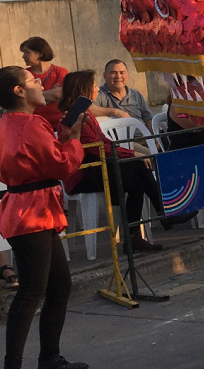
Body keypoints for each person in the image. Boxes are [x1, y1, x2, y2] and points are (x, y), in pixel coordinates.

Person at [0, 66, 90, 369]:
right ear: (18, 91)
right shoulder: (28, 125)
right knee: (31, 291)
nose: (41, 84)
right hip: (31, 213)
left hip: (29, 210)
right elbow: (62, 164)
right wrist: (74, 139)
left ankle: (49, 360)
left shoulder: (9, 122)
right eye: (33, 81)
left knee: (57, 285)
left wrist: (61, 139)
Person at [58, 71, 165, 253]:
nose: (97, 89)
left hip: (99, 167)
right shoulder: (75, 116)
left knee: (137, 179)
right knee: (138, 168)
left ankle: (135, 237)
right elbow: (97, 147)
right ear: (83, 90)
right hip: (83, 172)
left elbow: (105, 142)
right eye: (93, 86)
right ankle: (162, 216)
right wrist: (130, 155)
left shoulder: (87, 113)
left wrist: (129, 154)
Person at [20, 38, 128, 128]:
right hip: (36, 124)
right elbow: (24, 99)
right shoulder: (24, 75)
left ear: (40, 53)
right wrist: (50, 94)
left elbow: (60, 94)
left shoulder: (59, 72)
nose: (23, 56)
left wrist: (34, 96)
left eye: (27, 52)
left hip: (60, 124)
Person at [95, 60, 153, 128]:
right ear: (105, 76)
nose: (118, 76)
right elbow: (87, 110)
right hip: (118, 138)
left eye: (122, 73)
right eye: (113, 73)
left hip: (143, 136)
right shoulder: (99, 94)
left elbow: (148, 120)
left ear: (127, 75)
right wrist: (115, 112)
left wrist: (155, 138)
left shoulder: (136, 94)